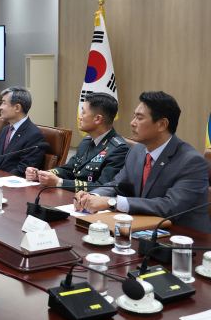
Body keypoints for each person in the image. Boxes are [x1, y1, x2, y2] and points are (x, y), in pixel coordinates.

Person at [75, 91, 211, 234]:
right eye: (134, 117)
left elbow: (169, 206)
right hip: (143, 230)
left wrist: (112, 203)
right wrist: (92, 197)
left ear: (162, 124)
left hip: (184, 238)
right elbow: (116, 185)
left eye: (139, 118)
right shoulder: (136, 151)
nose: (132, 123)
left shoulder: (192, 162)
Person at [26, 93, 129, 191]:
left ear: (97, 119)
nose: (80, 117)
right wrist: (41, 174)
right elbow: (69, 168)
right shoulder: (86, 142)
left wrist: (60, 182)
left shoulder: (119, 150)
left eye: (83, 112)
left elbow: (103, 187)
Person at [0, 87, 45, 176]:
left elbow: (23, 169)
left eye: (4, 103)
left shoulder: (34, 135)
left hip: (12, 184)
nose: (0, 107)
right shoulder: (5, 130)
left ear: (17, 108)